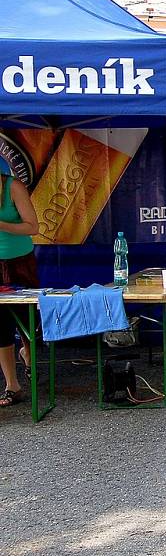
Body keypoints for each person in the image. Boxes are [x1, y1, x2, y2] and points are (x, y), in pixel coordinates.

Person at [0, 173, 38, 407]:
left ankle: (28, 354)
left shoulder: (13, 187)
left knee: (27, 320)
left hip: (19, 263)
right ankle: (12, 385)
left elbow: (33, 226)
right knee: (0, 325)